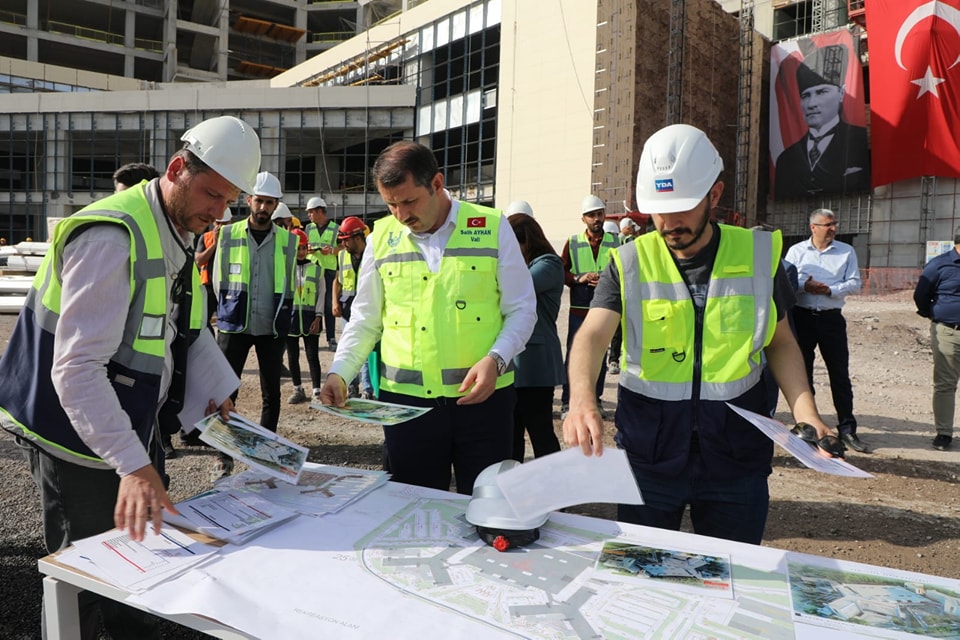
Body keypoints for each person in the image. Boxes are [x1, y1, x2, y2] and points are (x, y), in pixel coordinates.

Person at [0, 115, 258, 639]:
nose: (218, 212)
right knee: (86, 579)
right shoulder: (112, 237)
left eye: (227, 200)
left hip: (124, 426)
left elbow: (176, 325)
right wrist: (134, 466)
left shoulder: (174, 228)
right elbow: (76, 369)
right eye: (211, 195)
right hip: (72, 436)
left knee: (134, 561)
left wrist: (216, 386)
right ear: (177, 169)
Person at [564, 124, 834, 545]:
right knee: (642, 580)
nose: (669, 222)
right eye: (657, 210)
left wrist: (806, 414)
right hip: (649, 459)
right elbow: (593, 336)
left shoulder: (760, 257)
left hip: (735, 460)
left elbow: (781, 344)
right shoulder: (629, 262)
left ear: (715, 194)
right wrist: (582, 400)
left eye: (684, 207)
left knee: (732, 579)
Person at [319, 140, 536, 494]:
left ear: (436, 184)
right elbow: (365, 319)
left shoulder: (491, 227)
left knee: (487, 509)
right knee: (412, 516)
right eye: (391, 205)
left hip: (484, 405)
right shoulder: (381, 238)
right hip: (407, 411)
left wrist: (496, 360)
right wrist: (339, 373)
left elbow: (522, 309)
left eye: (408, 202)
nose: (401, 215)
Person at [213, 170, 297, 479]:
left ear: (276, 206)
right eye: (259, 201)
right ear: (249, 200)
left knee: (271, 393)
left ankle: (263, 455)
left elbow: (290, 282)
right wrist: (226, 311)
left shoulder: (288, 242)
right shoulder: (228, 234)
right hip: (234, 323)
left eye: (269, 203)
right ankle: (223, 456)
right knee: (225, 391)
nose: (263, 208)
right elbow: (219, 280)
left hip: (271, 325)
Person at [785, 208, 867, 453]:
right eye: (827, 224)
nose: (832, 228)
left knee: (839, 374)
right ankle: (809, 427)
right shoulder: (796, 252)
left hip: (831, 319)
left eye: (834, 224)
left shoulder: (846, 251)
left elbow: (854, 283)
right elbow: (787, 281)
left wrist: (830, 290)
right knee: (803, 374)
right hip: (802, 317)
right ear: (813, 227)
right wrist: (805, 285)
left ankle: (847, 429)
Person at [774, 44, 870, 199]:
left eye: (822, 92)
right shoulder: (786, 159)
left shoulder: (859, 142)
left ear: (841, 93)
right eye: (806, 96)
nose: (812, 104)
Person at [508, 212, 564, 461]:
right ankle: (512, 486)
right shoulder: (524, 266)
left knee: (541, 432)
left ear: (526, 241)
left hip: (536, 365)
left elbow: (516, 287)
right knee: (511, 433)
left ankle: (553, 491)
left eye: (512, 245)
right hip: (516, 363)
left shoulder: (549, 263)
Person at [560, 195, 619, 415]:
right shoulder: (573, 242)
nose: (597, 218)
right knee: (574, 355)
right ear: (583, 219)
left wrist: (606, 277)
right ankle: (568, 401)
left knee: (600, 356)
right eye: (592, 215)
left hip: (604, 309)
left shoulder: (616, 241)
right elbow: (562, 271)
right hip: (579, 309)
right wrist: (578, 278)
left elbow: (623, 270)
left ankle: (596, 400)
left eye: (600, 214)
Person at [913, 230, 960, 451]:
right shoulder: (939, 265)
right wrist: (933, 313)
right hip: (949, 332)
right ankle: (944, 433)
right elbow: (921, 294)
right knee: (945, 384)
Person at [331, 216, 374, 399]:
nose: (344, 244)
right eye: (342, 240)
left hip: (366, 308)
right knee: (347, 347)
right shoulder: (341, 255)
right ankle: (351, 387)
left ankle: (367, 390)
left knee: (364, 350)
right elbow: (337, 281)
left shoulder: (373, 254)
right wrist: (334, 302)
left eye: (346, 240)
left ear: (358, 237)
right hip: (347, 309)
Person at [286, 228, 325, 405]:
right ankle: (298, 389)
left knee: (312, 355)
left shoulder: (316, 269)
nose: (301, 251)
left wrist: (318, 317)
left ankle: (317, 391)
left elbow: (321, 294)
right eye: (297, 248)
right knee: (292, 356)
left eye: (303, 247)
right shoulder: (286, 269)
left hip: (311, 319)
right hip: (291, 318)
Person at [304, 196, 339, 350]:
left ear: (319, 211)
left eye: (311, 212)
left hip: (329, 270)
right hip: (312, 268)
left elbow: (344, 246)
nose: (309, 215)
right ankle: (311, 335)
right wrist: (308, 249)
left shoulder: (336, 229)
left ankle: (331, 338)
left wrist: (332, 250)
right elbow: (303, 246)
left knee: (329, 305)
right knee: (311, 302)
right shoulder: (308, 228)